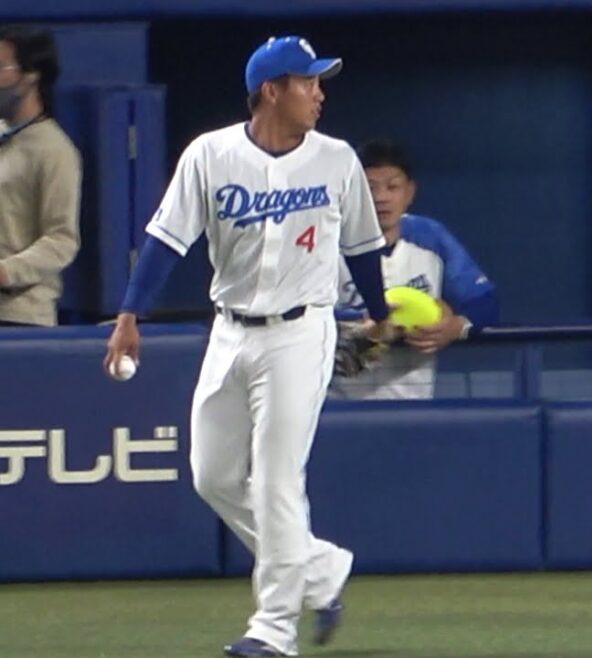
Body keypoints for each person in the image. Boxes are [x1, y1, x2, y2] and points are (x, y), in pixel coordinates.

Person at [104, 35, 396, 657]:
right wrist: (130, 313)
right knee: (212, 475)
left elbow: (363, 246)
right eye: (307, 82)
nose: (319, 93)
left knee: (276, 481)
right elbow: (164, 240)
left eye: (318, 82)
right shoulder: (211, 155)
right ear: (271, 90)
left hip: (300, 332)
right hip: (230, 329)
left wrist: (377, 314)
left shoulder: (336, 159)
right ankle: (319, 568)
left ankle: (273, 630)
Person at [332, 139, 498, 399]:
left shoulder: (430, 236)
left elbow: (484, 300)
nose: (381, 197)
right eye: (370, 188)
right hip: (342, 407)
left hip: (413, 406)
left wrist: (455, 326)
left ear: (409, 193)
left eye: (392, 187)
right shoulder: (327, 244)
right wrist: (374, 328)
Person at [0, 25, 80, 326]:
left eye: (1, 68)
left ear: (31, 76)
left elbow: (61, 240)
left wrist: (6, 272)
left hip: (19, 318)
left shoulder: (54, 150)